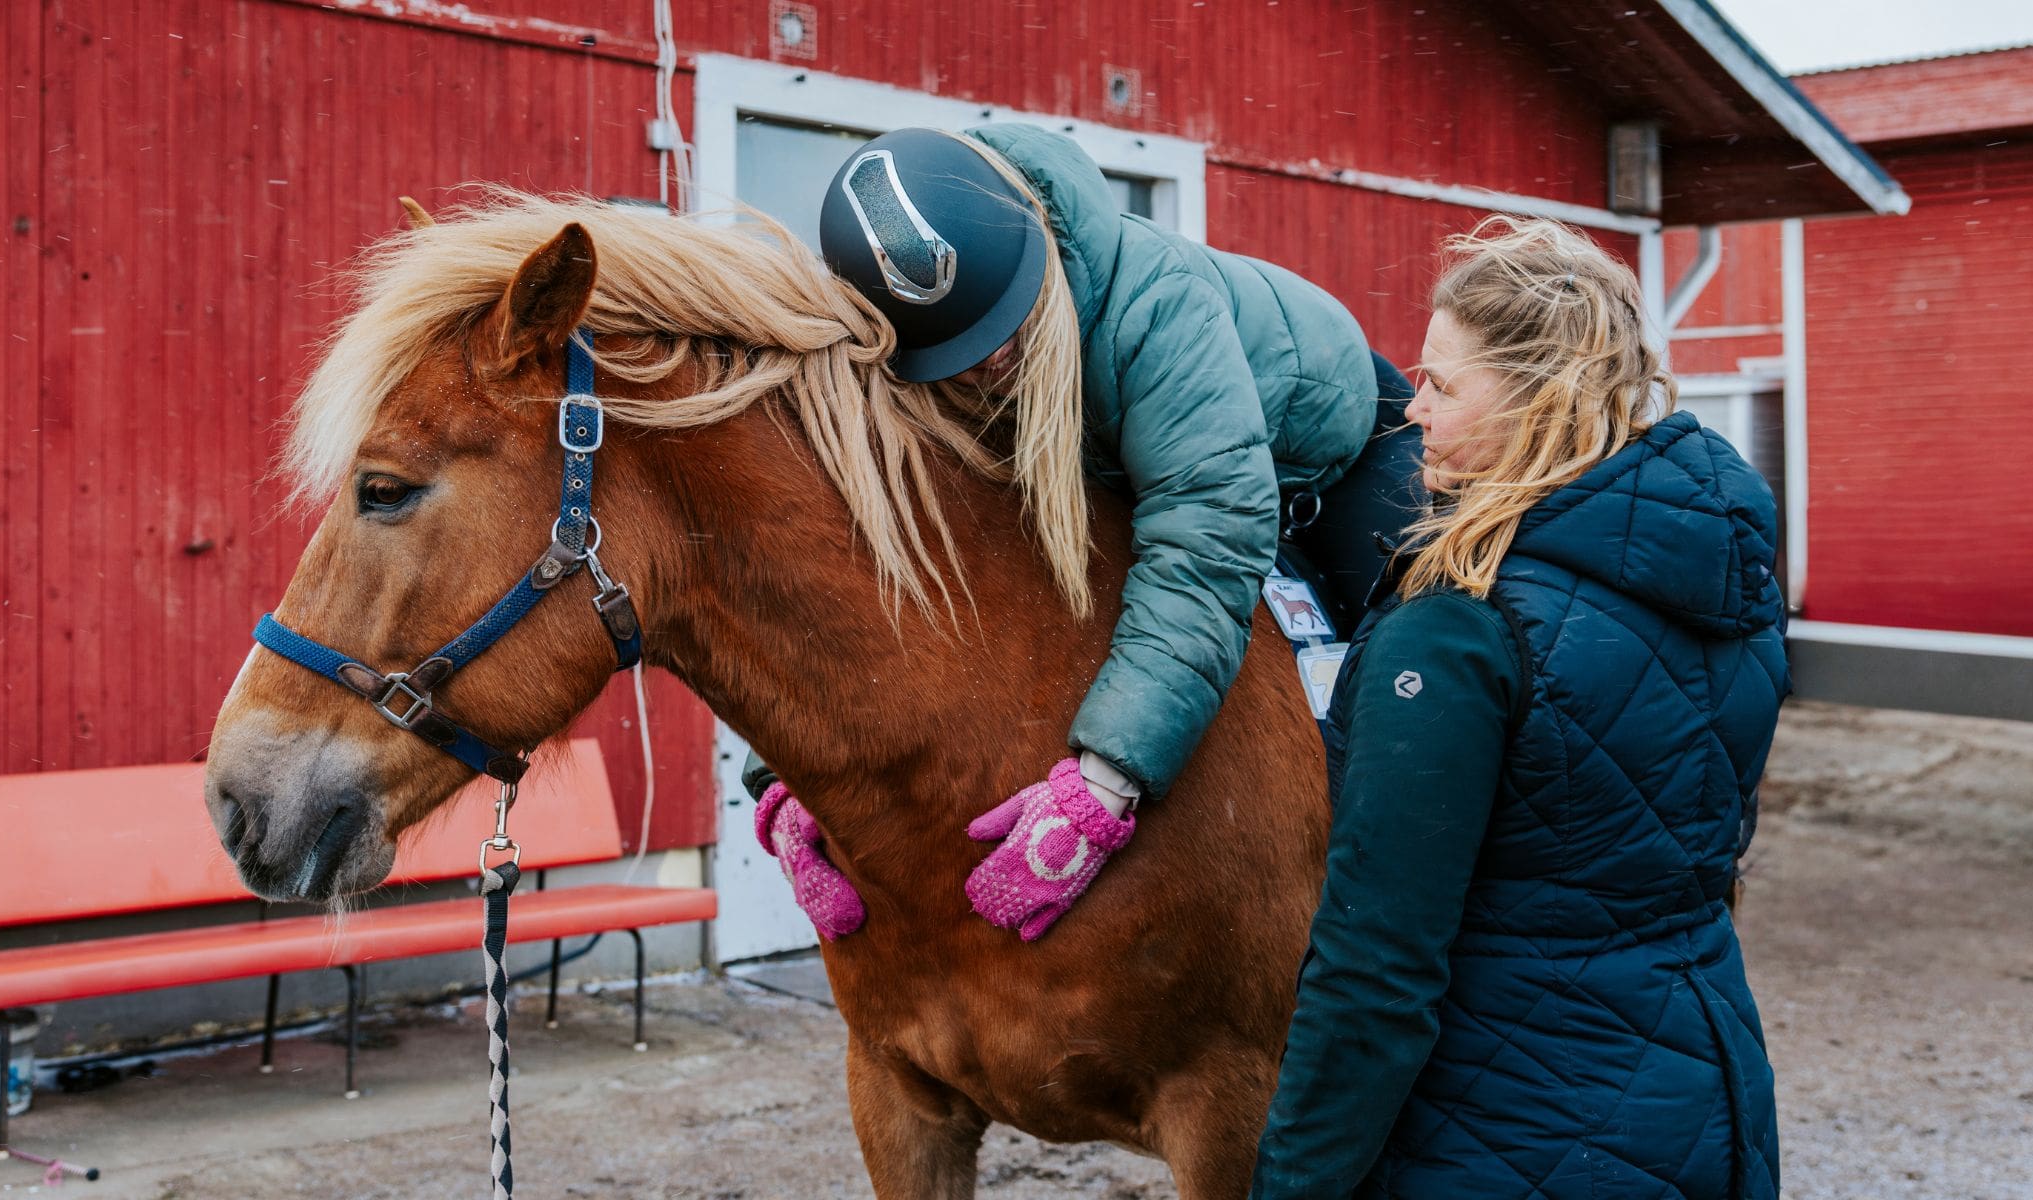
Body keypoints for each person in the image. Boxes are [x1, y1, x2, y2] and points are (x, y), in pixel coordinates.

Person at [751, 124, 1414, 942]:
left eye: (1004, 331)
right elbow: (869, 542)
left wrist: (1108, 780)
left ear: (1040, 263)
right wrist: (786, 769)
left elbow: (1207, 535)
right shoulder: (922, 351)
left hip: (1331, 448)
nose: (987, 366)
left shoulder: (1154, 309)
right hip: (1134, 467)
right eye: (957, 353)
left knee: (1417, 654)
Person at [1248, 216, 1789, 1199]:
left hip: (1509, 1128)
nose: (1412, 411)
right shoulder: (1723, 582)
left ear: (1542, 400)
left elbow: (1378, 972)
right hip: (1706, 1092)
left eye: (1442, 384)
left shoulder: (1456, 635)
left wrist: (1292, 1185)